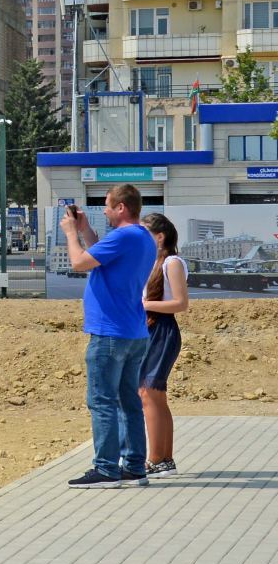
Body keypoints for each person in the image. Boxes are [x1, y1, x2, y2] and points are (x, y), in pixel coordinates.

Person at [60, 184, 157, 488]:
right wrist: (86, 230)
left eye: (107, 205)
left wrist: (70, 233)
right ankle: (134, 466)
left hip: (110, 333)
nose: (103, 210)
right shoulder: (142, 237)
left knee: (102, 400)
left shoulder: (124, 236)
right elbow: (100, 256)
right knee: (128, 400)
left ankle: (105, 468)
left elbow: (79, 263)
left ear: (121, 208)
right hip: (134, 332)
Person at [139, 213, 188, 478]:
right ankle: (164, 460)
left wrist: (143, 305)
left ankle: (156, 460)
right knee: (154, 396)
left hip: (163, 330)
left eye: (145, 233)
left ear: (160, 237)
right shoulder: (152, 262)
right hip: (150, 329)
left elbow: (181, 303)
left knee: (149, 395)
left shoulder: (172, 262)